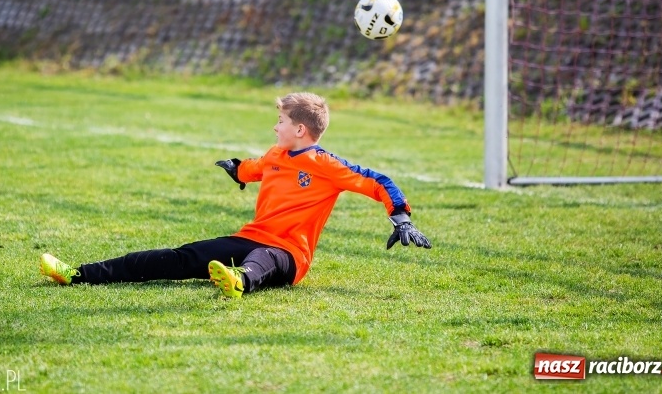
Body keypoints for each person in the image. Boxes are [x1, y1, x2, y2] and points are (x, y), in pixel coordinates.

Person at [39, 92, 431, 298]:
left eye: (280, 121)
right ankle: (78, 274)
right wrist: (236, 169)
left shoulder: (325, 164)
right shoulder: (278, 154)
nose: (274, 126)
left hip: (290, 254)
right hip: (250, 235)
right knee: (181, 257)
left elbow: (376, 179)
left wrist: (401, 216)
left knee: (261, 260)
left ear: (300, 130)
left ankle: (239, 281)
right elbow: (255, 167)